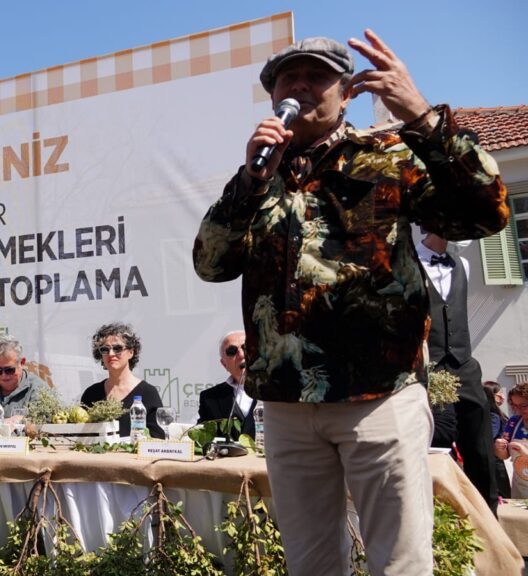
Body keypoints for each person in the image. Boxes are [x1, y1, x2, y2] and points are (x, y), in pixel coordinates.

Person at [193, 31, 508, 575]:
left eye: (316, 76)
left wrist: (423, 118)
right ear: (273, 98)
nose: (299, 86)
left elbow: (486, 212)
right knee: (310, 564)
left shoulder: (389, 156)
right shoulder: (260, 178)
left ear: (346, 94)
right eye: (287, 79)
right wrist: (248, 182)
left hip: (378, 396)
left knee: (399, 564)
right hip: (288, 405)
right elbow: (210, 263)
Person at [419, 231, 498, 510]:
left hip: (464, 365)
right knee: (436, 444)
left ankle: (489, 520)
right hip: (429, 367)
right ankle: (439, 519)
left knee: (481, 452)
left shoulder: (462, 264)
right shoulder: (409, 262)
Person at [81, 323, 164, 439]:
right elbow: (81, 436)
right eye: (105, 349)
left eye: (117, 348)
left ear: (131, 352)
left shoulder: (148, 393)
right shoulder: (91, 393)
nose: (111, 354)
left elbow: (158, 437)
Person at [197, 330, 254, 439]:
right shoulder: (210, 398)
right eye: (232, 351)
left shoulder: (280, 390)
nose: (241, 355)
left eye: (246, 347)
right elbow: (203, 438)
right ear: (224, 364)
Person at [495, 382, 528, 498]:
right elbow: (505, 456)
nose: (518, 410)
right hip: (520, 489)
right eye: (515, 405)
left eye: (524, 405)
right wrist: (499, 448)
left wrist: (525, 454)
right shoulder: (514, 422)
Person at [483, 380, 511, 499]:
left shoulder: (491, 414)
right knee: (504, 494)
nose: (503, 397)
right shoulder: (493, 416)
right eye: (499, 395)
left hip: (496, 458)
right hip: (496, 459)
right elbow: (490, 437)